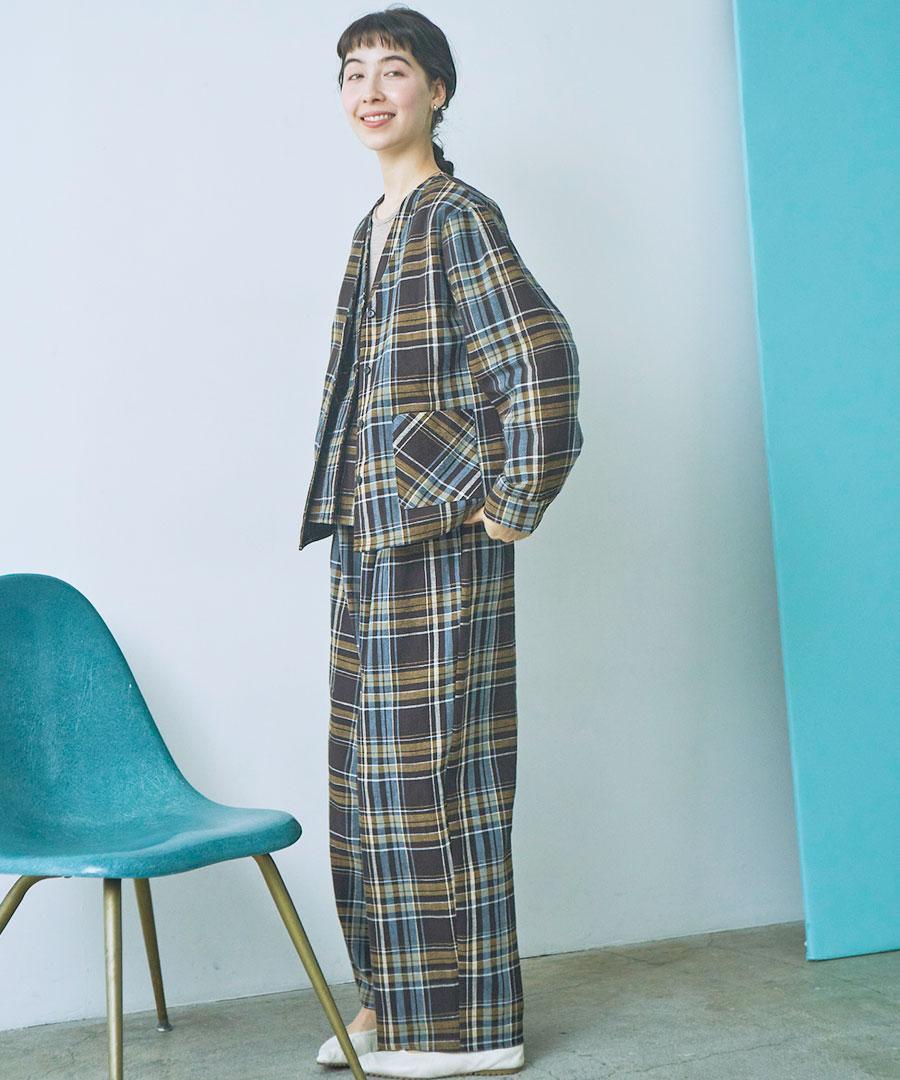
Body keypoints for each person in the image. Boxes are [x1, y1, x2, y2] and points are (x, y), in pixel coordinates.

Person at [298, 7, 584, 1078]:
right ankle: (393, 1001)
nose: (371, 91)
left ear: (438, 91)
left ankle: (465, 1028)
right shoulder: (372, 226)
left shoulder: (458, 216)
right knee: (365, 781)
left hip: (441, 538)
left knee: (435, 778)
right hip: (369, 538)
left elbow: (542, 361)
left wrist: (510, 502)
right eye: (353, 73)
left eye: (395, 71)